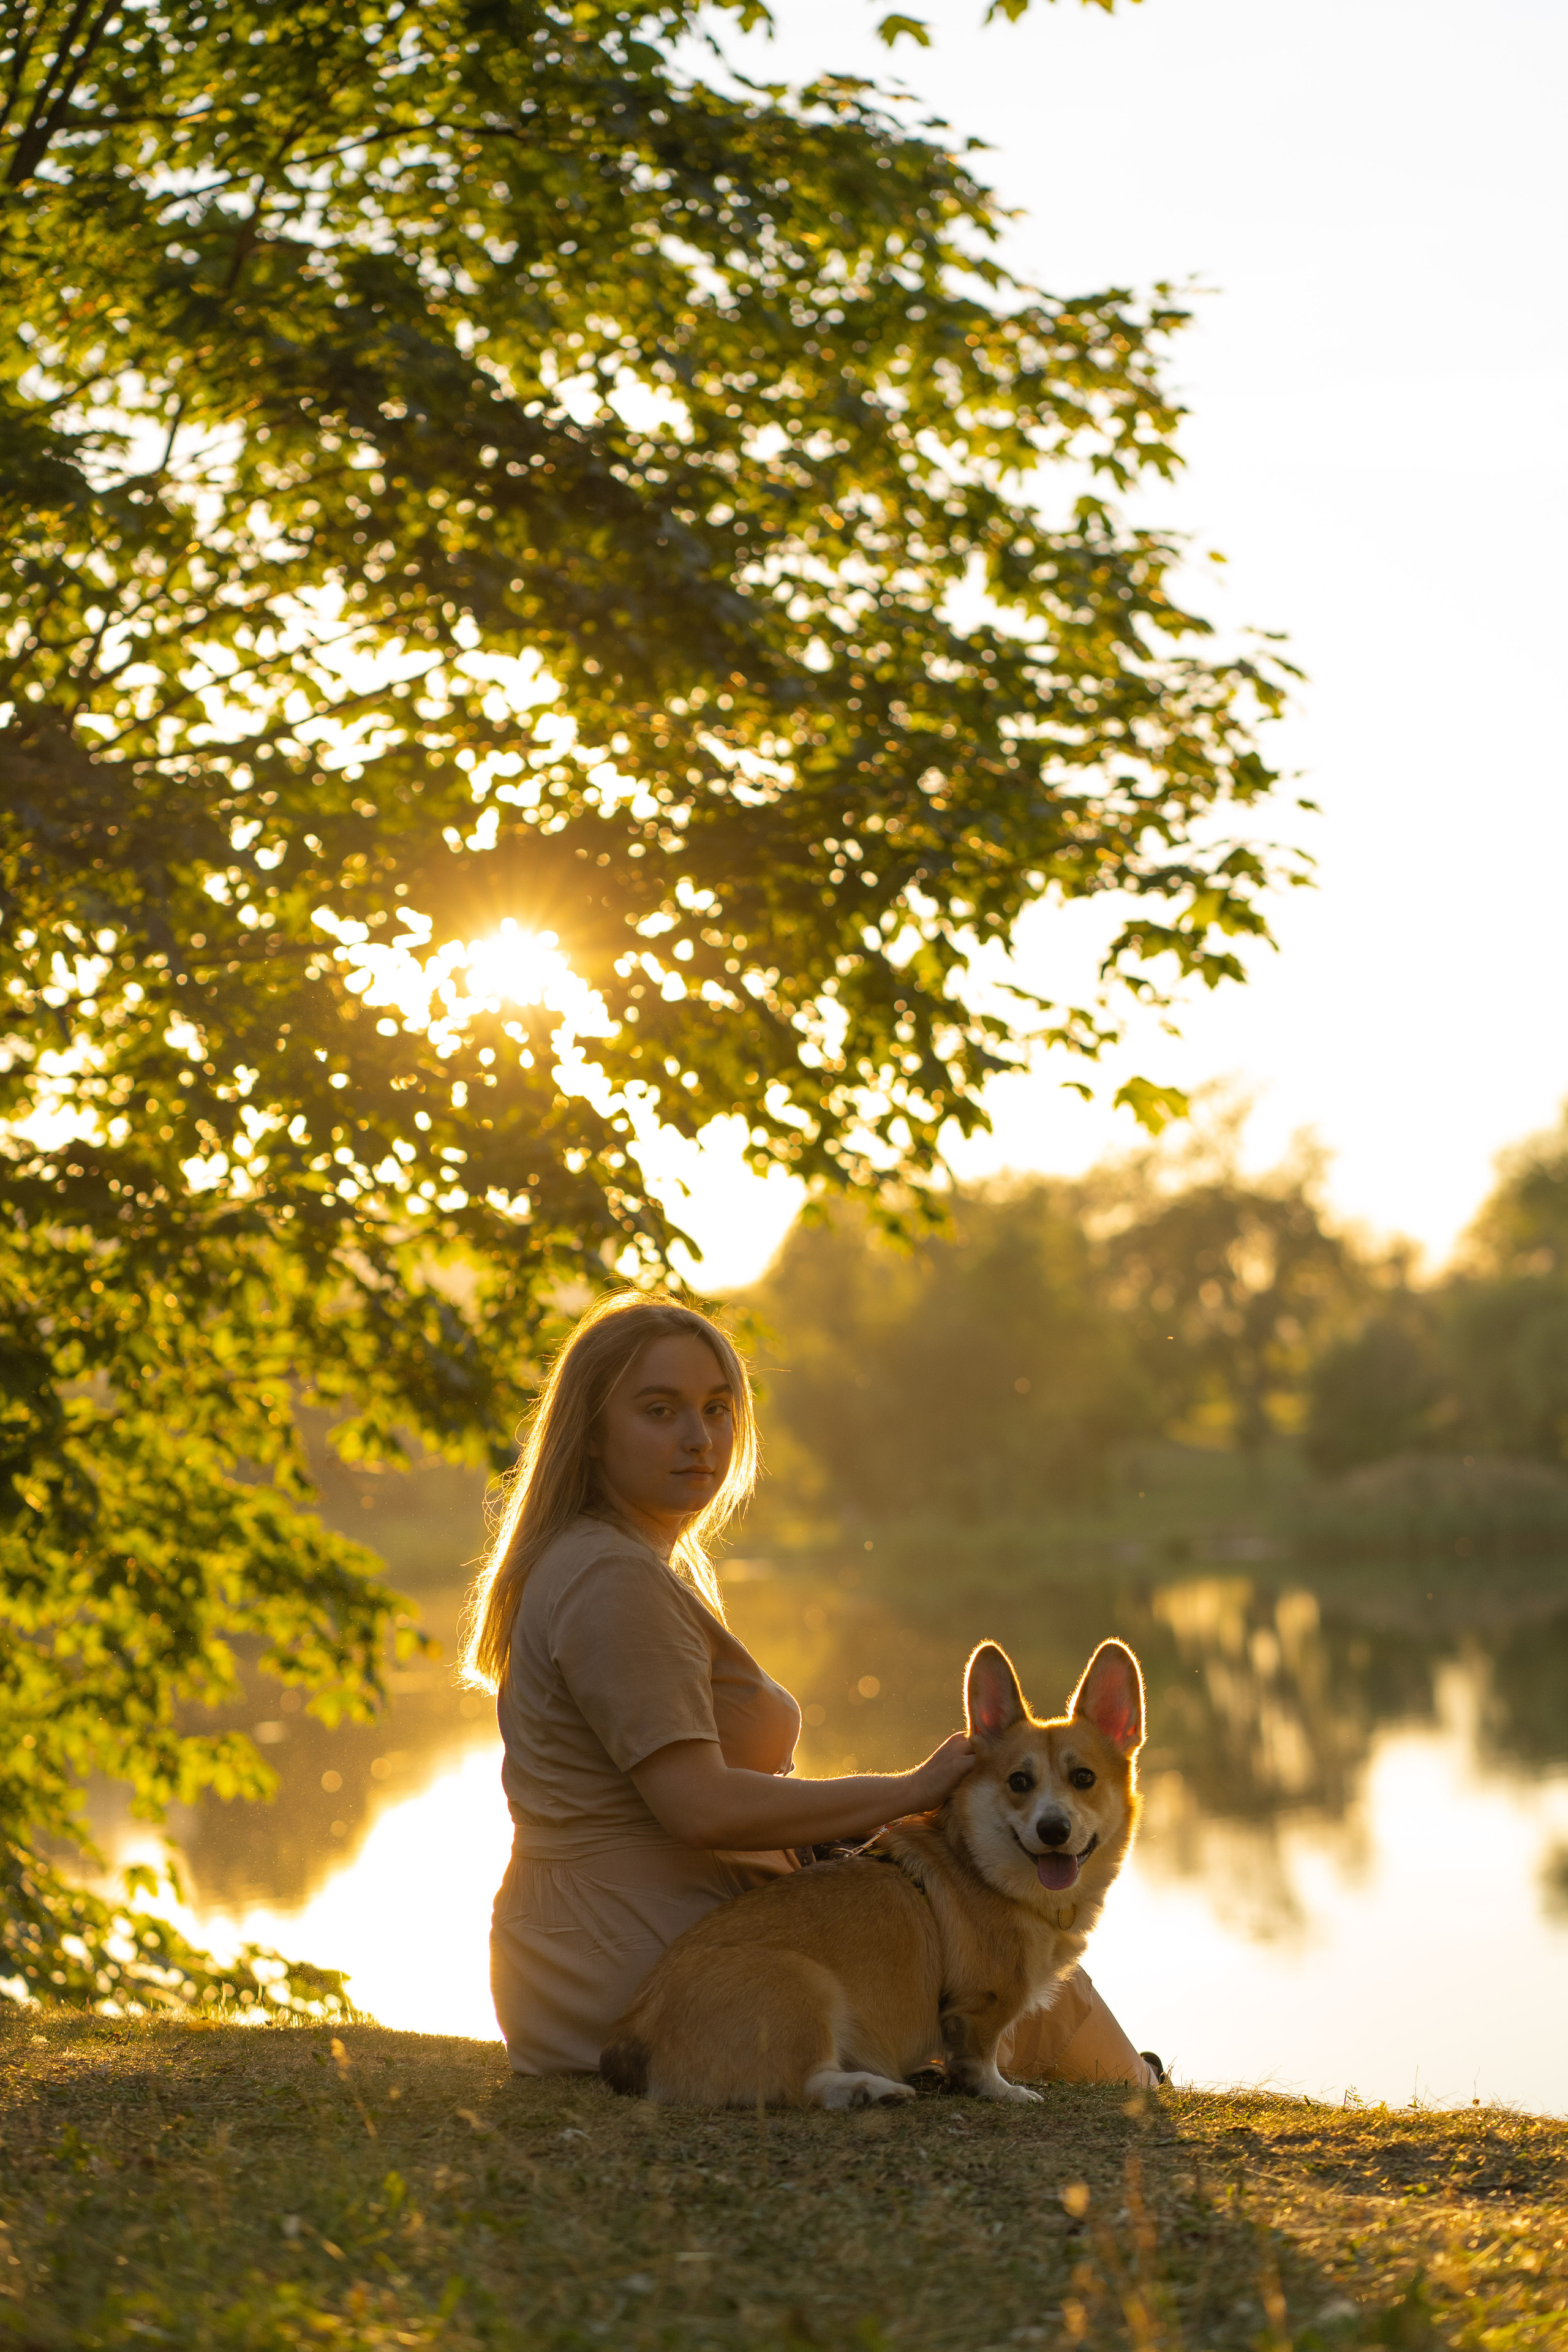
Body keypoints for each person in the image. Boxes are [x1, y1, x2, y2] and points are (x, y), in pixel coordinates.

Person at [462, 1291, 1156, 2087]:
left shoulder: (620, 1559)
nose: (699, 1438)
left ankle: (1127, 2082)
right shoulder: (613, 1579)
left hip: (609, 1942)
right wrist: (906, 1793)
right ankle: (1137, 2095)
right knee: (995, 1941)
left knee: (973, 1924)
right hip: (642, 1961)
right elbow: (700, 1808)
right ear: (590, 1432)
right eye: (660, 1411)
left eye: (717, 1409)